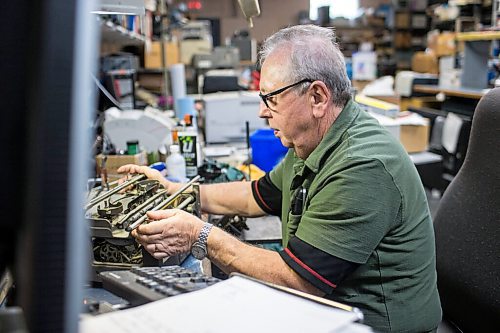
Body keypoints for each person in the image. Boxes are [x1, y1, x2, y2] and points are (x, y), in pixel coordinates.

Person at [118, 25, 442, 332]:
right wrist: (178, 189)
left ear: (317, 97)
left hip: (371, 326)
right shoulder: (313, 141)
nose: (262, 112)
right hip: (331, 308)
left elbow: (299, 281)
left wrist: (200, 236)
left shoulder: (362, 164)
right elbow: (253, 196)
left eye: (271, 98)